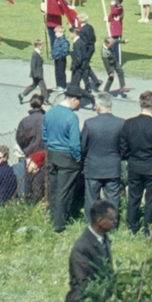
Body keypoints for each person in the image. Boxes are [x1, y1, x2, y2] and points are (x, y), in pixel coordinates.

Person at [119, 90, 152, 234]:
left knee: (134, 197)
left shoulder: (129, 124)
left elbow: (123, 146)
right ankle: (148, 227)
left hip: (134, 165)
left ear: (140, 104)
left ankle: (132, 226)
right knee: (151, 199)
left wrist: (130, 157)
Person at [44, 87, 84, 232]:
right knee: (64, 191)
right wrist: (78, 158)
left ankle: (52, 217)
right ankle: (59, 224)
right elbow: (74, 143)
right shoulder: (71, 117)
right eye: (79, 102)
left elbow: (44, 134)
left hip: (52, 154)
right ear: (74, 100)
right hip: (67, 157)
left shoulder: (50, 112)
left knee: (54, 189)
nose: (79, 105)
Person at [80, 93, 126, 209]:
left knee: (92, 200)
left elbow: (83, 146)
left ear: (98, 106)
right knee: (112, 200)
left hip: (93, 167)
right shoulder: (121, 123)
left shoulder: (89, 123)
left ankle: (92, 224)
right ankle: (111, 225)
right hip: (112, 167)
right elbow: (124, 146)